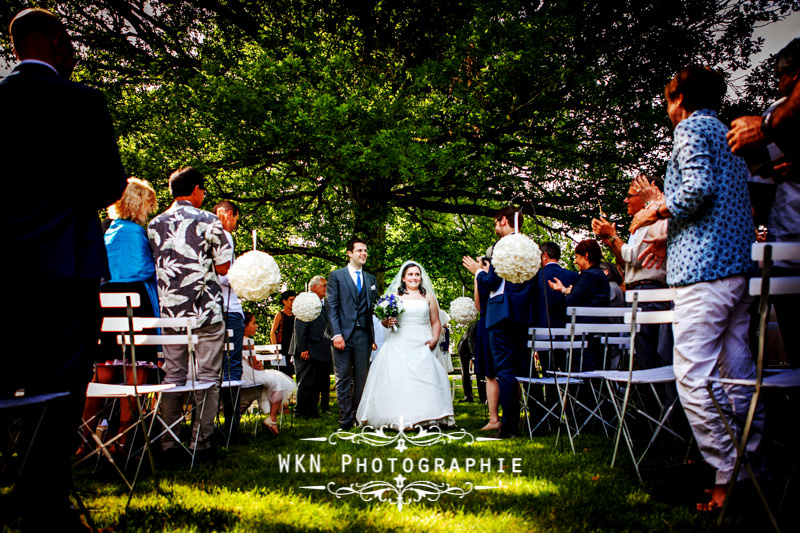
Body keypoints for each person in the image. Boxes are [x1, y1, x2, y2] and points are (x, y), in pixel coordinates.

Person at [2, 8, 127, 530]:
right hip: (64, 266)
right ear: (57, 42)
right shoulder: (82, 101)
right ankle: (42, 504)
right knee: (61, 386)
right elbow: (109, 185)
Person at [630, 65, 764, 511]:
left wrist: (656, 211)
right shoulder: (728, 137)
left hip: (702, 273)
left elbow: (696, 190)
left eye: (668, 99)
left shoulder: (689, 130)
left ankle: (728, 475)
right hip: (735, 267)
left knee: (692, 375)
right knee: (737, 373)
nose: (668, 110)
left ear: (680, 98)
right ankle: (753, 467)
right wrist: (672, 236)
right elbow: (723, 204)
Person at [148, 166, 232, 460]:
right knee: (207, 378)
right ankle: (201, 444)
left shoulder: (154, 224)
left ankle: (169, 445)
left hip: (171, 314)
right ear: (196, 190)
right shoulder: (209, 220)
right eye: (204, 190)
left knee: (174, 376)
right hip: (205, 311)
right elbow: (223, 268)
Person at [79, 177, 159, 457]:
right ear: (139, 203)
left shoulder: (107, 231)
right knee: (135, 378)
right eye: (149, 204)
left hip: (106, 308)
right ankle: (124, 440)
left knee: (103, 378)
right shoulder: (136, 234)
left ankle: (83, 438)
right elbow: (147, 269)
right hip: (136, 310)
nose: (150, 210)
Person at [462, 207, 536, 439]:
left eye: (496, 222)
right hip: (523, 315)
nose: (495, 227)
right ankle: (540, 422)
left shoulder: (502, 246)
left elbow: (493, 282)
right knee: (526, 370)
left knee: (505, 372)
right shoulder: (528, 246)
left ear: (504, 220)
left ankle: (509, 427)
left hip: (501, 314)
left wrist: (477, 272)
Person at [356, 261, 455, 429]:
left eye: (417, 274)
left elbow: (436, 321)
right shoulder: (395, 297)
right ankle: (399, 416)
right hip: (399, 342)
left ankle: (427, 417)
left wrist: (434, 338)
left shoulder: (428, 297)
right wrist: (387, 321)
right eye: (410, 274)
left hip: (423, 342)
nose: (414, 277)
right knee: (398, 379)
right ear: (403, 278)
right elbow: (385, 322)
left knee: (427, 380)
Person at [593, 176, 673, 370]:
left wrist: (613, 237)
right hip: (639, 291)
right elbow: (627, 265)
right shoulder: (638, 223)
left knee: (653, 355)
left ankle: (662, 399)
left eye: (629, 196)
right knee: (644, 354)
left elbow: (636, 257)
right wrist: (609, 241)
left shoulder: (652, 217)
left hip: (650, 292)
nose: (625, 200)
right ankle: (653, 398)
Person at [327, 237, 380, 431]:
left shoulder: (371, 279)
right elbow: (332, 307)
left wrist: (386, 316)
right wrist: (336, 334)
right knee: (342, 378)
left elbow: (375, 306)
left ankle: (359, 417)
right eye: (359, 251)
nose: (363, 254)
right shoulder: (336, 276)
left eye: (365, 250)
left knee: (362, 379)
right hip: (342, 335)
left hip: (364, 335)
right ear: (349, 253)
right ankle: (345, 421)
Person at [548, 239, 610, 371]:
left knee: (582, 373)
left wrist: (552, 312)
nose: (575, 261)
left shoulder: (589, 275)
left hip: (586, 336)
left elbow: (571, 301)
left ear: (586, 255)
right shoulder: (599, 275)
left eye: (577, 257)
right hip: (596, 332)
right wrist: (564, 290)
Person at [214, 200, 245, 443]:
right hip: (228, 309)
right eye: (236, 218)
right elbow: (224, 276)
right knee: (232, 368)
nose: (235, 224)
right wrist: (244, 280)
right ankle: (231, 428)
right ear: (227, 214)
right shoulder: (224, 236)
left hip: (214, 309)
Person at [240, 313, 297, 435]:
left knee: (273, 380)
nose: (256, 326)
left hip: (241, 373)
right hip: (246, 374)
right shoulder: (246, 340)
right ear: (244, 326)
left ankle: (271, 417)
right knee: (278, 380)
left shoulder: (233, 339)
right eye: (254, 323)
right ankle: (272, 419)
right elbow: (255, 363)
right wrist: (258, 364)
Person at [293, 276, 332, 418]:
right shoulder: (306, 301)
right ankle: (301, 411)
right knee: (306, 382)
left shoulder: (324, 303)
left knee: (316, 382)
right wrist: (303, 348)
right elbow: (300, 325)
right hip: (308, 348)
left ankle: (312, 410)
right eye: (324, 285)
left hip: (320, 348)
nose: (326, 288)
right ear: (314, 287)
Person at [270, 290, 297, 377]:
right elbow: (273, 332)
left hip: (292, 347)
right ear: (284, 301)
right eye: (291, 300)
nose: (293, 302)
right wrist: (275, 348)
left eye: (294, 300)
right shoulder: (280, 315)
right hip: (282, 347)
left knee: (291, 373)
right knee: (282, 373)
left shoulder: (296, 315)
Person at [457, 318, 478, 403]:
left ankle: (483, 396)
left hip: (472, 348)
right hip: (464, 349)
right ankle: (468, 396)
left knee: (478, 372)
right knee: (465, 372)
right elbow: (470, 340)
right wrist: (474, 356)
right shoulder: (475, 324)